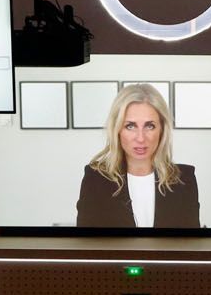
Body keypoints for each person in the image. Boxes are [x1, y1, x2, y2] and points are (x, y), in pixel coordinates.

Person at [74, 83, 201, 228]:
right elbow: (87, 246)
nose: (140, 138)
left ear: (162, 130)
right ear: (117, 130)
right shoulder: (95, 179)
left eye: (149, 126)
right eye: (130, 126)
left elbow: (190, 246)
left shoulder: (184, 179)